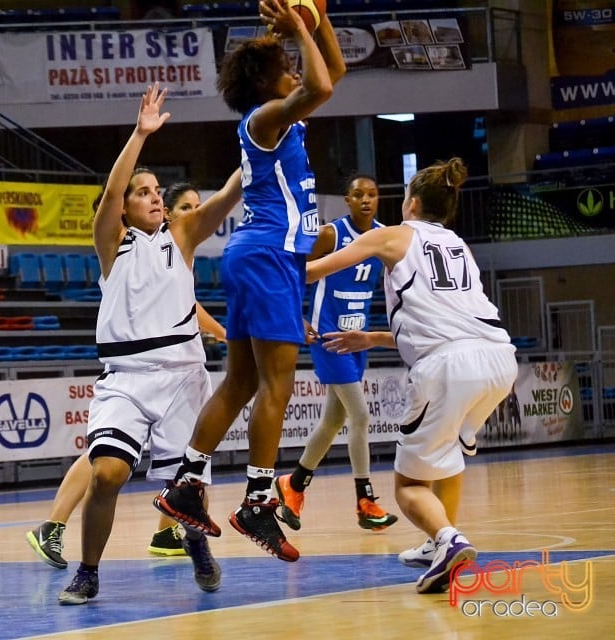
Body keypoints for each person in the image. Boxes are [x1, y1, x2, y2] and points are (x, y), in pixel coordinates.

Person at [154, 0, 345, 562]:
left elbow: (329, 74)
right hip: (267, 256)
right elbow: (322, 87)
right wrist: (296, 30)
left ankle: (186, 487)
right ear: (265, 82)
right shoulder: (264, 120)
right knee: (276, 385)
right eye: (285, 63)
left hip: (261, 256)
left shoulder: (278, 116)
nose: (295, 68)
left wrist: (317, 23)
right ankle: (257, 501)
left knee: (239, 384)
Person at [58, 84, 242, 605]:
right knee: (107, 474)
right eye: (145, 191)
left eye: (158, 189)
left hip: (183, 376)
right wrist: (140, 134)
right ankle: (89, 571)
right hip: (127, 380)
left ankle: (196, 545)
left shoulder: (180, 235)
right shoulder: (111, 242)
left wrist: (261, 142)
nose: (155, 196)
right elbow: (112, 194)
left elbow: (229, 194)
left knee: (188, 487)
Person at [307, 158, 518, 593]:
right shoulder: (458, 245)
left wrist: (267, 264)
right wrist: (373, 338)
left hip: (449, 367)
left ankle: (448, 540)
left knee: (407, 486)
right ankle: (460, 453)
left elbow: (314, 270)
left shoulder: (392, 235)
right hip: (499, 359)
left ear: (413, 202)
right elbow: (446, 321)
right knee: (449, 456)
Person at [26, 184, 227, 569]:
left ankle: (176, 534)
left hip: (176, 370)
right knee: (103, 462)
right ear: (168, 210)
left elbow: (186, 305)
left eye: (196, 207)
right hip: (132, 367)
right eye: (184, 206)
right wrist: (223, 332)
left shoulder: (175, 246)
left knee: (186, 470)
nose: (191, 213)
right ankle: (55, 526)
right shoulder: (129, 245)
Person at [273, 175, 399, 532]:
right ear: (347, 199)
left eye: (372, 194)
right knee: (360, 416)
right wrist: (295, 316)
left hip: (358, 339)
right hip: (329, 336)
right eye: (358, 194)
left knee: (332, 422)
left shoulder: (382, 235)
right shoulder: (331, 234)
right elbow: (293, 272)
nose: (365, 200)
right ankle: (366, 500)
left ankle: (293, 485)